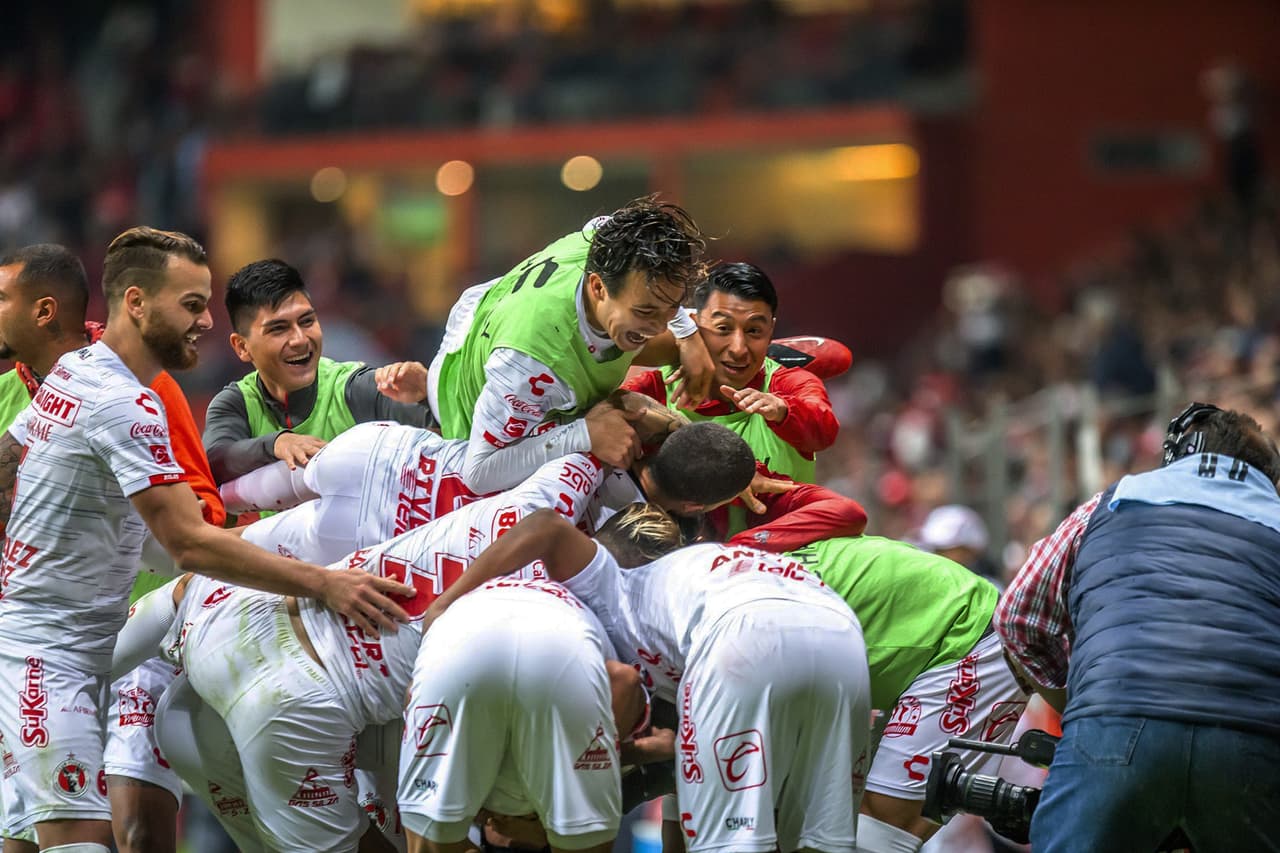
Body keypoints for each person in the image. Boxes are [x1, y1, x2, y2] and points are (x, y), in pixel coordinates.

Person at [0, 226, 412, 852]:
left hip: (76, 642)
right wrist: (325, 582)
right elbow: (192, 543)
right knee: (81, 841)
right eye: (192, 305)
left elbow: (10, 458)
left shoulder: (76, 373)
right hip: (44, 662)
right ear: (136, 303)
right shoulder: (127, 403)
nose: (204, 324)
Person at [130, 451, 713, 851]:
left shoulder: (552, 492)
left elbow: (596, 432)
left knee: (61, 663)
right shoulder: (579, 632)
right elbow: (529, 794)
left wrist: (617, 426)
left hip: (234, 611)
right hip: (296, 704)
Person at [424, 513, 872, 853]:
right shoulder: (699, 571)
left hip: (740, 635)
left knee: (730, 840)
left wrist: (444, 605)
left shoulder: (614, 580)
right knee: (819, 838)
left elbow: (545, 527)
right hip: (840, 632)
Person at [0, 242, 228, 853]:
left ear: (44, 311)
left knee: (123, 833)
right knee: (40, 833)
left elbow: (198, 518)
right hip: (49, 644)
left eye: (1, 299)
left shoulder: (144, 388)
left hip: (137, 640)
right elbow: (7, 464)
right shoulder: (42, 384)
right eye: (193, 304)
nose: (205, 321)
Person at [996, 403, 1280, 852]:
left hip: (1114, 724)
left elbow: (1016, 616)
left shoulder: (1113, 500)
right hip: (1251, 743)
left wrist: (1075, 704)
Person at [428, 197, 714, 495]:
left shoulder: (604, 241)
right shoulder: (531, 365)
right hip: (467, 412)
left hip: (491, 316)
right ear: (598, 287)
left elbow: (607, 222)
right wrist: (585, 434)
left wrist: (688, 333)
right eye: (645, 311)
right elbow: (479, 474)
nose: (659, 325)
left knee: (706, 335)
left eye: (671, 307)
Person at [624, 261, 839, 529]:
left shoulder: (787, 384)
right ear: (694, 324)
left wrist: (783, 410)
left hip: (781, 561)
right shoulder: (655, 389)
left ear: (771, 330)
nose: (738, 348)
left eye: (754, 331)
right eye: (723, 329)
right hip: (672, 561)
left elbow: (824, 429)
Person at [202, 258, 433, 484]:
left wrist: (426, 395)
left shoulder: (355, 388)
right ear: (242, 347)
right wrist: (276, 444)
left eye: (307, 321)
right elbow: (215, 457)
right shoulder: (235, 403)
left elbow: (446, 428)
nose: (300, 340)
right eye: (279, 329)